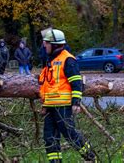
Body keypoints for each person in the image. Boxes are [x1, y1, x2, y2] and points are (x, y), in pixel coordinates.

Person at [38, 28, 96, 162]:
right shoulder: (50, 60)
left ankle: (91, 158)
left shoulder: (68, 60)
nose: (44, 45)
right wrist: (45, 104)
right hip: (50, 106)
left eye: (46, 43)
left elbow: (76, 82)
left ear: (55, 45)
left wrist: (76, 102)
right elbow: (48, 85)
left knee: (70, 134)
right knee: (49, 138)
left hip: (63, 106)